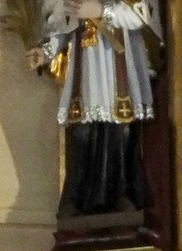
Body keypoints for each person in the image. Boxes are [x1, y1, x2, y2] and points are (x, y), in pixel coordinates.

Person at [26, 0, 162, 219]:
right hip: (86, 66)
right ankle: (76, 197)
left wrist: (101, 11)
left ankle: (121, 192)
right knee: (81, 131)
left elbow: (141, 15)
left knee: (120, 127)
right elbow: (64, 25)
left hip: (119, 62)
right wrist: (46, 52)